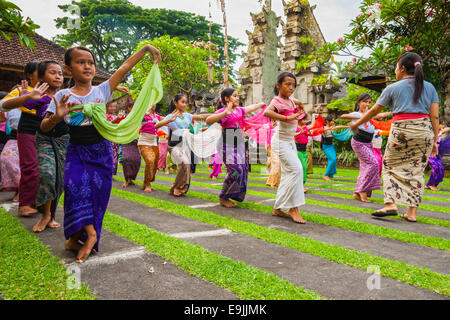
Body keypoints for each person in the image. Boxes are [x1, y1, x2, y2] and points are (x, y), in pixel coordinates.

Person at [43, 44, 161, 263]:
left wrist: (145, 49)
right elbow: (44, 127)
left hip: (102, 152)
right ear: (69, 69)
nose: (87, 66)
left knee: (97, 195)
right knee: (74, 188)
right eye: (80, 62)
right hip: (76, 151)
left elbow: (124, 67)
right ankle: (92, 234)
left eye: (91, 62)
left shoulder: (102, 90)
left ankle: (80, 237)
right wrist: (56, 117)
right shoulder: (62, 95)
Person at [350, 52, 439, 222]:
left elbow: (374, 111)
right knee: (417, 170)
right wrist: (434, 140)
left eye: (396, 67)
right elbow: (434, 116)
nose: (395, 71)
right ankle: (411, 212)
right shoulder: (430, 87)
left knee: (389, 165)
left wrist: (355, 124)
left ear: (403, 69)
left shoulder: (393, 88)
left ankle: (391, 203)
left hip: (402, 130)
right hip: (425, 130)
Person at [206, 88, 264, 207]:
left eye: (237, 96)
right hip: (227, 142)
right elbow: (208, 120)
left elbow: (250, 108)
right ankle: (223, 196)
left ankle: (235, 194)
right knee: (235, 169)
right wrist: (225, 113)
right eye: (235, 96)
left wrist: (261, 104)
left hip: (239, 142)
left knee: (243, 169)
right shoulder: (223, 111)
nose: (237, 98)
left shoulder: (239, 110)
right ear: (227, 99)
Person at [263, 72, 307, 223]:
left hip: (289, 142)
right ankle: (293, 208)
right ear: (278, 85)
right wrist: (287, 118)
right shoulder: (277, 101)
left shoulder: (291, 100)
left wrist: (300, 106)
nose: (291, 88)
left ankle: (279, 208)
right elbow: (267, 112)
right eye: (287, 84)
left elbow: (298, 102)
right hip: (280, 141)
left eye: (293, 85)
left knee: (291, 173)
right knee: (296, 170)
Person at [0, 62, 40, 216]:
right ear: (30, 75)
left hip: (45, 135)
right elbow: (3, 105)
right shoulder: (21, 90)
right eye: (40, 71)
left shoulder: (51, 90)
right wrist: (24, 98)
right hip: (23, 133)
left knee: (42, 169)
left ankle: (38, 202)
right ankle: (24, 200)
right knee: (26, 165)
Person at [341, 93, 391, 202]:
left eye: (369, 102)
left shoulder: (370, 115)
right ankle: (362, 191)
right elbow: (343, 116)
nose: (367, 104)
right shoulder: (357, 113)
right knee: (373, 163)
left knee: (365, 168)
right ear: (359, 102)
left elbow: (382, 115)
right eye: (365, 102)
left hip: (368, 143)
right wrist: (362, 117)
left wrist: (394, 112)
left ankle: (356, 193)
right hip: (358, 142)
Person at [165, 94, 210, 197]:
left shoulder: (188, 116)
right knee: (184, 162)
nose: (185, 104)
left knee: (187, 165)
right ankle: (176, 188)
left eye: (186, 102)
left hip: (185, 145)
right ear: (176, 103)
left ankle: (181, 188)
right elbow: (177, 131)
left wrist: (219, 113)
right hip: (174, 145)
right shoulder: (170, 117)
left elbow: (202, 116)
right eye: (182, 102)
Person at [138, 104, 178, 192]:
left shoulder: (157, 116)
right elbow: (138, 118)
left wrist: (174, 115)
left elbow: (167, 119)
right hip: (144, 140)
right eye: (152, 103)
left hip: (153, 141)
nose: (153, 105)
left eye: (155, 103)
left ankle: (146, 182)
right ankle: (147, 184)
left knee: (154, 163)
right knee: (150, 160)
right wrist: (144, 113)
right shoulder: (144, 114)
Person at [0, 108, 21, 201]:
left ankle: (22, 190)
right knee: (5, 158)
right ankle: (20, 187)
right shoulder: (12, 106)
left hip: (33, 136)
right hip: (14, 136)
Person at [321, 115, 348, 181]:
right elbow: (322, 130)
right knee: (332, 159)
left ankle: (329, 175)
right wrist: (330, 128)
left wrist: (348, 126)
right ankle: (325, 175)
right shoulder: (324, 128)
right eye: (332, 120)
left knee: (333, 160)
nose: (333, 122)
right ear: (327, 121)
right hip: (326, 147)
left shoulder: (331, 128)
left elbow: (339, 127)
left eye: (333, 120)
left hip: (331, 146)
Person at [294, 113, 317, 191]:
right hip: (297, 150)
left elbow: (313, 125)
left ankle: (301, 185)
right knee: (301, 168)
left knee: (305, 168)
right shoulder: (295, 128)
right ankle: (299, 186)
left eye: (306, 119)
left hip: (304, 150)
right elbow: (291, 134)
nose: (305, 121)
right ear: (299, 120)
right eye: (304, 120)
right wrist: (299, 133)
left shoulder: (305, 128)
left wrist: (313, 116)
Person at [425, 120, 448, 191]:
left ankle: (430, 184)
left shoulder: (439, 132)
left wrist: (441, 132)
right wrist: (438, 135)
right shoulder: (431, 132)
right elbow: (429, 140)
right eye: (442, 124)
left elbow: (447, 129)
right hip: (427, 155)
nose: (443, 126)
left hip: (434, 156)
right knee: (436, 167)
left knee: (441, 168)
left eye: (444, 125)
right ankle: (431, 184)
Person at [266, 120, 281, 187]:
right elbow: (267, 137)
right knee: (276, 164)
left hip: (279, 146)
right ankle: (273, 182)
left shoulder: (280, 123)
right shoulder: (268, 125)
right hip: (271, 146)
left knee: (277, 164)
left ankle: (271, 181)